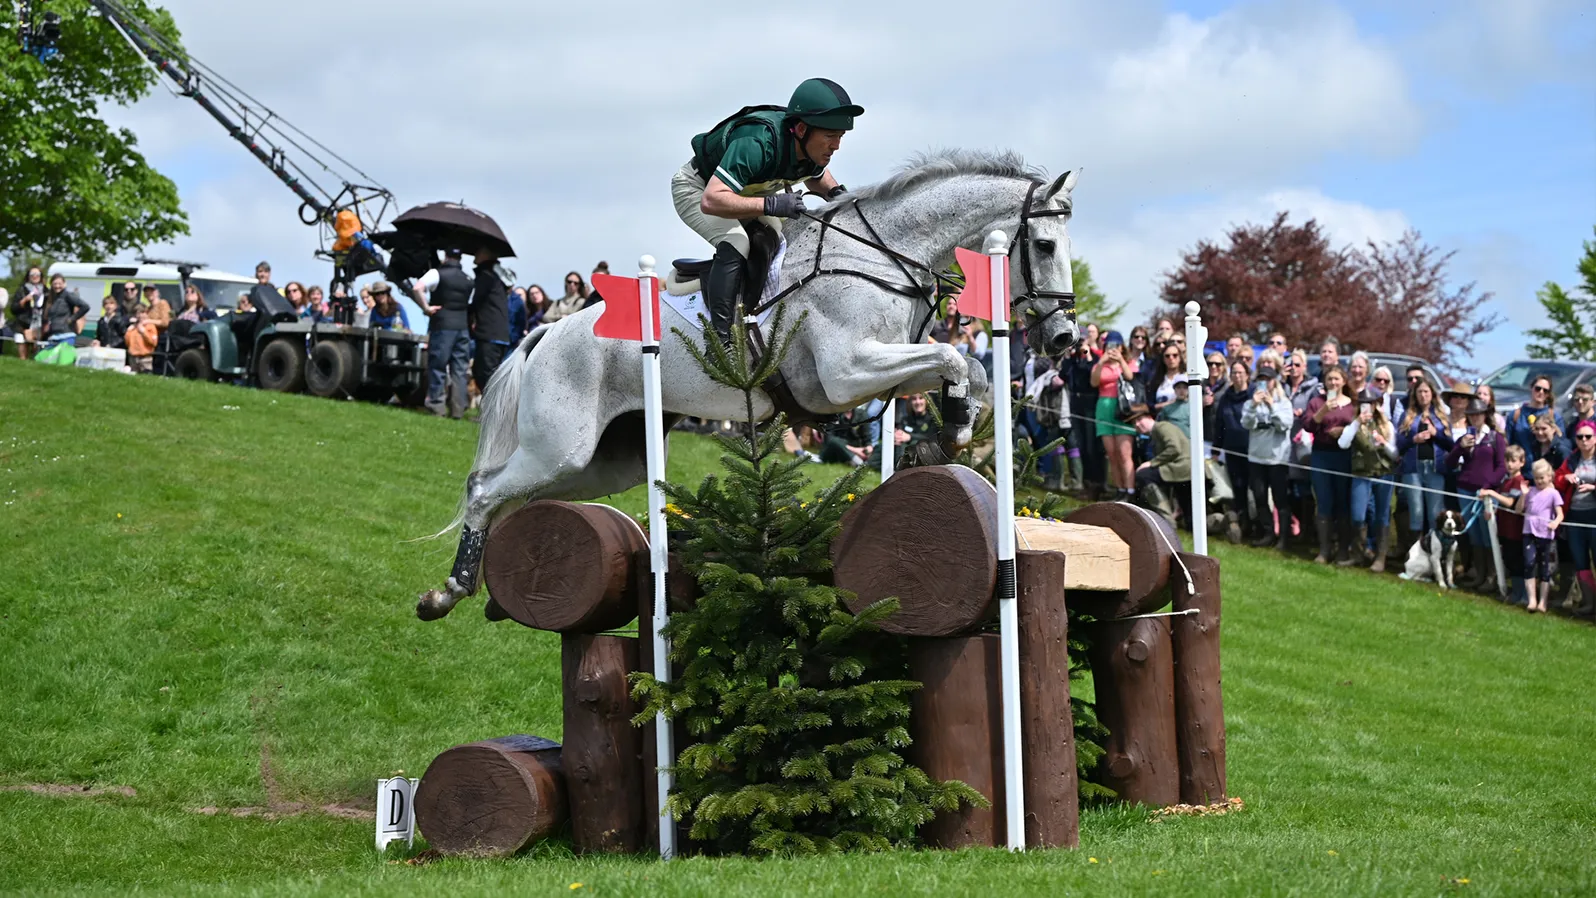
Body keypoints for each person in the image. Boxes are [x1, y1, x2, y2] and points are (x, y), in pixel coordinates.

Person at [672, 78, 861, 343]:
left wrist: (839, 195)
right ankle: (720, 342)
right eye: (830, 136)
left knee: (781, 236)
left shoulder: (808, 147)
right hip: (699, 189)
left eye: (840, 136)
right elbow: (712, 200)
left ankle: (753, 316)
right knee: (736, 241)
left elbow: (816, 175)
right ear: (802, 129)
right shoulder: (756, 143)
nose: (836, 145)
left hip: (747, 192)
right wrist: (771, 204)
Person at [1445, 397, 1508, 589]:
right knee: (1474, 533)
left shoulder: (1495, 438)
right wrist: (1460, 448)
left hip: (1487, 493)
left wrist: (1488, 486)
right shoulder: (1464, 439)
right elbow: (1449, 463)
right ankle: (1480, 574)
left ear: (1485, 415)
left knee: (1489, 532)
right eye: (1471, 415)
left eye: (1478, 414)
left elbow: (1501, 467)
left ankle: (1492, 575)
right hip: (1465, 488)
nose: (1475, 418)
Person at [1340, 388, 1399, 570]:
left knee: (1382, 516)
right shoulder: (1354, 424)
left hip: (1383, 474)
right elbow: (1343, 443)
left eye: (1371, 404)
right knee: (1357, 516)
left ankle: (1380, 558)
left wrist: (1384, 442)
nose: (1367, 407)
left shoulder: (1386, 425)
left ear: (1376, 405)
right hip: (1362, 474)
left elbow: (1396, 454)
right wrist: (1357, 422)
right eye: (1364, 404)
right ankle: (1360, 552)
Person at [412, 248, 474, 418]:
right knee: (460, 370)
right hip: (462, 327)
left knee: (438, 366)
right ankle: (457, 409)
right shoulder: (468, 279)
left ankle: (436, 406)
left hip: (442, 325)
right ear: (460, 258)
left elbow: (417, 288)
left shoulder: (437, 273)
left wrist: (426, 308)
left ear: (446, 256)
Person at [1305, 365, 1357, 564]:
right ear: (1325, 382)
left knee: (1343, 503)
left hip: (1344, 457)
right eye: (1330, 379)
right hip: (1321, 455)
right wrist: (1324, 409)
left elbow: (1358, 427)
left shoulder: (1353, 404)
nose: (1333, 382)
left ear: (1343, 381)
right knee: (1324, 502)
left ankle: (1343, 549)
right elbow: (1308, 425)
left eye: (1337, 379)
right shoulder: (1316, 402)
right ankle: (1324, 550)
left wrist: (1343, 431)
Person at [1241, 356, 1294, 549]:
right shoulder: (1250, 403)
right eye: (1261, 379)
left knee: (1281, 499)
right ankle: (1268, 533)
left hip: (1277, 459)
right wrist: (1255, 406)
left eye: (1268, 379)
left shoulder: (1284, 402)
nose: (1265, 383)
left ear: (1274, 381)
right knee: (1260, 497)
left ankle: (1284, 537)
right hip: (1256, 457)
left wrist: (1271, 406)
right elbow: (1246, 424)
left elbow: (1285, 425)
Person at [1396, 378, 1453, 553]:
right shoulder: (1408, 415)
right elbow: (1398, 443)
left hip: (1435, 469)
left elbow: (1451, 444)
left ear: (1432, 394)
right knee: (1417, 513)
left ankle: (1435, 553)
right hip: (1413, 469)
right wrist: (1413, 439)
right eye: (1419, 392)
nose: (1423, 395)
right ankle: (1414, 554)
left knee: (1435, 513)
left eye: (1426, 391)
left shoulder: (1440, 416)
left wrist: (1436, 434)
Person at [1554, 420, 1596, 614]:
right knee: (1580, 561)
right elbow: (1557, 479)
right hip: (1574, 516)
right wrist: (1565, 478)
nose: (1584, 440)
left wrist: (1593, 488)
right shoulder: (1571, 459)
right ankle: (1588, 603)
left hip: (1594, 516)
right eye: (1580, 437)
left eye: (1588, 436)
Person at [1479, 445, 1529, 606]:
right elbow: (1502, 504)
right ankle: (1515, 592)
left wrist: (1492, 493)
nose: (1509, 464)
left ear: (1522, 462)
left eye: (1513, 461)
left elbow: (1510, 503)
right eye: (1507, 460)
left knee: (1517, 562)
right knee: (1509, 559)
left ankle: (1521, 594)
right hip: (1505, 528)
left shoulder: (1518, 482)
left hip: (1515, 529)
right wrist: (1492, 510)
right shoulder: (1506, 480)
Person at [1127, 403, 1192, 527]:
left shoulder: (1162, 426)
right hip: (1183, 472)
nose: (1137, 425)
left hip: (1182, 469)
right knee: (1191, 523)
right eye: (1134, 423)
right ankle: (1222, 521)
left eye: (1140, 420)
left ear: (1150, 417)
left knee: (1143, 475)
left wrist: (1152, 463)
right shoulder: (1156, 433)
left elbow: (1174, 448)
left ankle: (1167, 521)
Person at [1091, 331, 1137, 500]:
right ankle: (1119, 489)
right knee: (1111, 453)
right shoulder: (1099, 365)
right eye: (1110, 345)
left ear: (1121, 346)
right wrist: (1102, 362)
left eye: (1116, 345)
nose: (1113, 349)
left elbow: (1130, 376)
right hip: (1104, 407)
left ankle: (1130, 490)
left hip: (1122, 410)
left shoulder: (1129, 362)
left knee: (1124, 453)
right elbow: (1094, 382)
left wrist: (1121, 360)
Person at [1213, 359, 1254, 540]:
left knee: (1255, 489)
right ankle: (1242, 524)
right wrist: (1216, 448)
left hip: (1252, 450)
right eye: (1234, 373)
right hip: (1232, 450)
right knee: (1238, 488)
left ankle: (1258, 526)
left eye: (1240, 372)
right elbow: (1220, 424)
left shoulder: (1253, 396)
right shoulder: (1226, 398)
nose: (1237, 376)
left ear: (1247, 375)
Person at [1520, 459, 1565, 613]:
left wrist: (1555, 523)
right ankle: (1532, 599)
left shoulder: (1553, 493)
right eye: (1537, 477)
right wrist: (1523, 495)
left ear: (1549, 477)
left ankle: (1543, 602)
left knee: (1545, 567)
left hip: (1545, 533)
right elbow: (1519, 510)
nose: (1539, 481)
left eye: (1542, 477)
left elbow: (1560, 514)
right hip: (1529, 531)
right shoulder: (1531, 491)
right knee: (1529, 563)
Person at [470, 249, 513, 392]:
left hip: (490, 333)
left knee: (486, 375)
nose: (475, 253)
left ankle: (494, 413)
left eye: (478, 251)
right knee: (487, 374)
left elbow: (476, 301)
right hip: (498, 334)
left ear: (486, 254)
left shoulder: (487, 276)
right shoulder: (498, 277)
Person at [1504, 372, 1564, 455]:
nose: (1541, 392)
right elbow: (1507, 444)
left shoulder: (1554, 416)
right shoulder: (1516, 415)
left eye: (1545, 390)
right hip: (1520, 464)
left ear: (1548, 394)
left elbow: (1562, 444)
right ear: (1531, 388)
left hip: (1544, 465)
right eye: (1538, 388)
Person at [38, 274, 89, 348]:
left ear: (64, 284)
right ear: (51, 285)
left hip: (66, 334)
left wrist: (72, 319)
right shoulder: (50, 298)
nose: (57, 286)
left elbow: (85, 306)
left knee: (63, 358)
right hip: (53, 335)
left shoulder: (68, 295)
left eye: (60, 284)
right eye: (55, 284)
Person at [124, 304, 158, 373]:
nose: (140, 315)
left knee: (146, 376)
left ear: (147, 313)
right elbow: (127, 343)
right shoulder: (133, 327)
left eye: (142, 313)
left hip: (145, 358)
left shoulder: (150, 326)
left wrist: (143, 332)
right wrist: (128, 331)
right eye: (137, 313)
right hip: (133, 358)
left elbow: (153, 342)